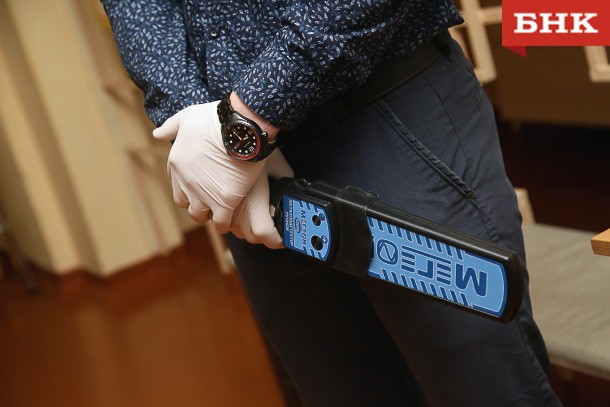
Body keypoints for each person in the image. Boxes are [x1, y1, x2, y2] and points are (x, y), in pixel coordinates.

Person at [101, 1, 561, 405]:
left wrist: (249, 118)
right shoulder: (223, 143)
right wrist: (198, 124)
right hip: (237, 163)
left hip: (384, 106)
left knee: (484, 388)